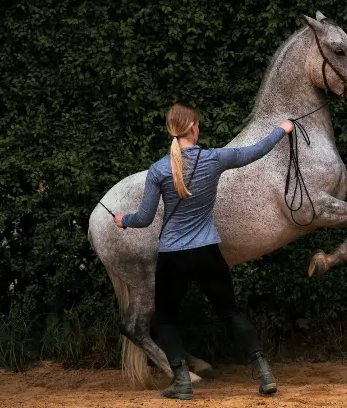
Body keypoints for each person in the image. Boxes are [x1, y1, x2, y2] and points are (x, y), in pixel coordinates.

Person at [114, 103, 294, 400]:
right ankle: (263, 372)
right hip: (208, 253)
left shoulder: (158, 170)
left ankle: (182, 381)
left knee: (168, 319)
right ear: (193, 127)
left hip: (173, 258)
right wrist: (281, 130)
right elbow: (254, 151)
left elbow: (144, 218)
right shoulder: (214, 159)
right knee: (231, 313)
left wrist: (124, 220)